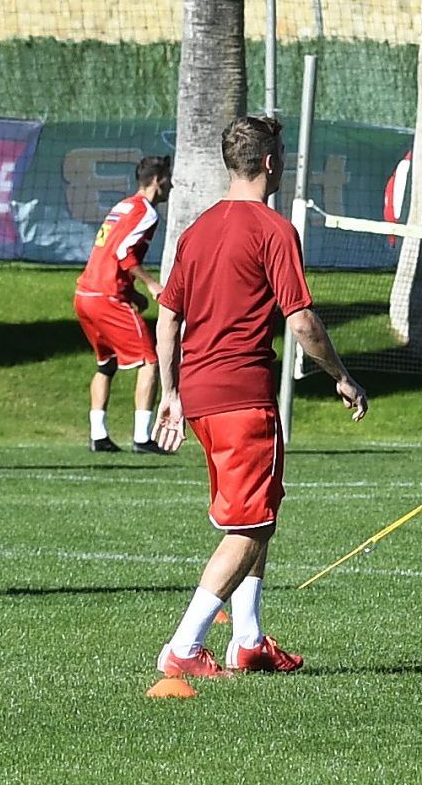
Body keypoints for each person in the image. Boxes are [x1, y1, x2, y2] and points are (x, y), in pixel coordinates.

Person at [153, 116, 368, 678]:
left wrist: (171, 391)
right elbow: (301, 322)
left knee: (258, 517)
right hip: (242, 397)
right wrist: (341, 376)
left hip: (200, 396)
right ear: (271, 163)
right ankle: (182, 648)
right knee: (247, 527)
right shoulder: (272, 230)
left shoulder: (196, 230)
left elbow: (169, 315)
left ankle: (247, 641)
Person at [74, 155, 174, 454]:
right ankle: (143, 438)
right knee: (151, 360)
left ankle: (98, 435)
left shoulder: (123, 206)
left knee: (106, 364)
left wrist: (132, 294)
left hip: (86, 294)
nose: (171, 185)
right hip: (106, 297)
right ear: (157, 180)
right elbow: (123, 253)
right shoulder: (147, 212)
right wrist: (151, 284)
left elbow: (109, 254)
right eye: (168, 178)